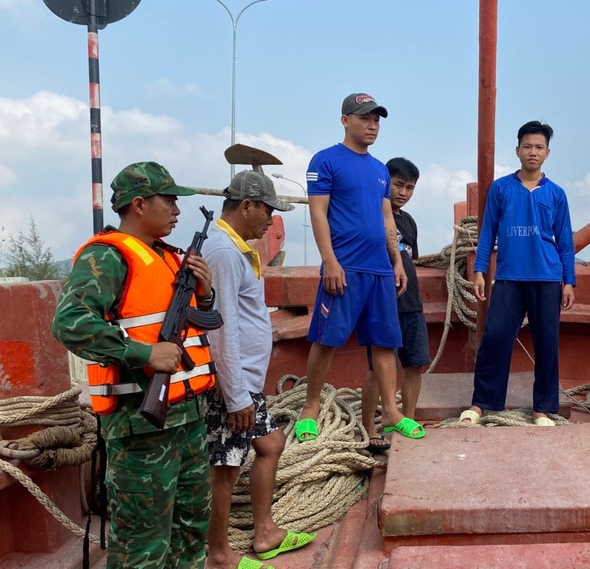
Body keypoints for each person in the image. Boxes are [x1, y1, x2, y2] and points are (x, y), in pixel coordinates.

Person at [51, 162, 216, 568]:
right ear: (139, 204)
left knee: (191, 533)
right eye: (169, 200)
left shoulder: (170, 258)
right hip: (141, 426)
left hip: (189, 419)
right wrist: (144, 355)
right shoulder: (106, 257)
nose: (177, 209)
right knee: (141, 547)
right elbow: (70, 324)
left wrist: (206, 294)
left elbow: (189, 324)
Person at [295, 93, 425, 442]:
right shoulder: (325, 161)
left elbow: (387, 218)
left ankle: (393, 413)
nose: (372, 125)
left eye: (377, 120)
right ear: (345, 120)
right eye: (365, 118)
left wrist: (396, 260)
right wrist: (330, 261)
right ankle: (309, 408)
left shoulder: (381, 169)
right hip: (345, 268)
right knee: (326, 340)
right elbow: (318, 212)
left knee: (385, 343)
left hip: (380, 270)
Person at [203, 170, 315, 568]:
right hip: (234, 384)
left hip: (246, 380)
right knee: (226, 467)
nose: (270, 220)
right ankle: (219, 554)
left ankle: (265, 532)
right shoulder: (223, 254)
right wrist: (234, 395)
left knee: (269, 443)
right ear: (246, 205)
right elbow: (222, 327)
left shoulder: (233, 251)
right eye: (267, 210)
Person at [459, 120, 576, 426]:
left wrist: (569, 282)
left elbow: (565, 241)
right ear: (517, 150)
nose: (532, 152)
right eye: (527, 146)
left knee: (547, 343)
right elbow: (487, 234)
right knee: (495, 337)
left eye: (539, 147)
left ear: (547, 153)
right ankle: (481, 403)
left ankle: (542, 408)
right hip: (509, 277)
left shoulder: (557, 194)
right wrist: (480, 271)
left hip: (548, 278)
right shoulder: (501, 189)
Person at [360, 157, 431, 451]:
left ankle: (406, 419)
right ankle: (369, 426)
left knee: (416, 365)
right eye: (398, 184)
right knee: (378, 370)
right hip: (380, 303)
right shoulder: (371, 215)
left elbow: (410, 260)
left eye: (410, 187)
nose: (403, 192)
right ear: (385, 181)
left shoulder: (409, 222)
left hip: (411, 304)